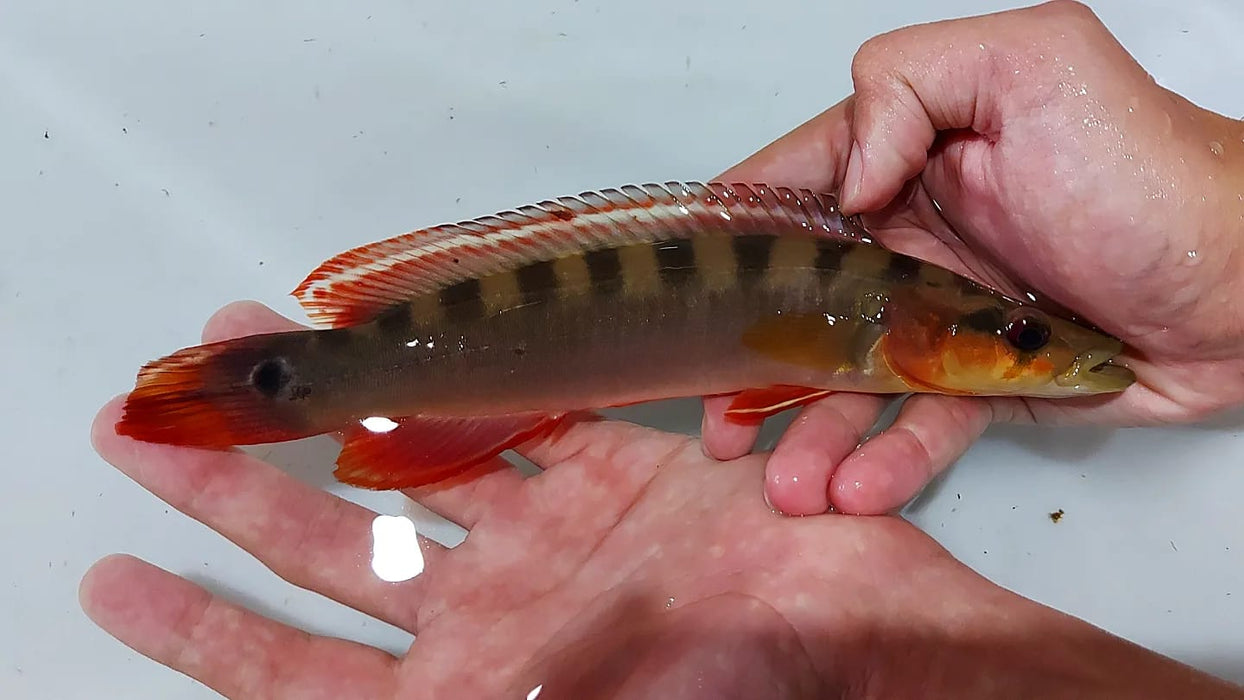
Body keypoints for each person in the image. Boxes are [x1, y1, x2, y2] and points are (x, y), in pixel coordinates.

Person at [81, 2, 1244, 697]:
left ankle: (306, 387)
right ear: (928, 337)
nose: (1054, 356)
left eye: (1027, 342)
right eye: (1026, 341)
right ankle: (297, 385)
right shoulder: (875, 322)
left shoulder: (886, 323)